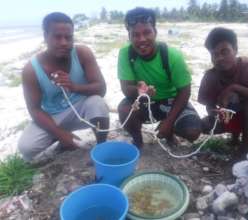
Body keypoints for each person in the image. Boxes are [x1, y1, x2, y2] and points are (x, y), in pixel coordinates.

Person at [18, 12, 109, 161]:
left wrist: (74, 87)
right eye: (57, 37)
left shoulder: (81, 53)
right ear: (45, 36)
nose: (64, 42)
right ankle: (60, 137)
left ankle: (102, 146)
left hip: (82, 109)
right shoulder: (31, 70)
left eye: (68, 37)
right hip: (54, 115)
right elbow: (34, 109)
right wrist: (61, 134)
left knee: (97, 102)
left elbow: (101, 88)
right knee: (26, 148)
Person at [117, 7, 202, 148]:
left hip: (171, 101)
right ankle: (138, 142)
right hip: (145, 102)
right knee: (124, 110)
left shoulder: (173, 55)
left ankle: (169, 132)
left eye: (147, 32)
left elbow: (185, 91)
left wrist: (169, 121)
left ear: (155, 32)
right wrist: (140, 91)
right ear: (129, 37)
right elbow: (126, 88)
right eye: (135, 35)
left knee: (192, 132)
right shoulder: (125, 53)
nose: (142, 39)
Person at [198, 27, 248, 159]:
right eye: (215, 54)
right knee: (198, 126)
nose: (219, 58)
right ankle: (234, 137)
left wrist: (235, 88)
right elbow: (208, 104)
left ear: (235, 50)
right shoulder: (210, 76)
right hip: (232, 119)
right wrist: (213, 112)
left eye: (225, 52)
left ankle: (244, 152)